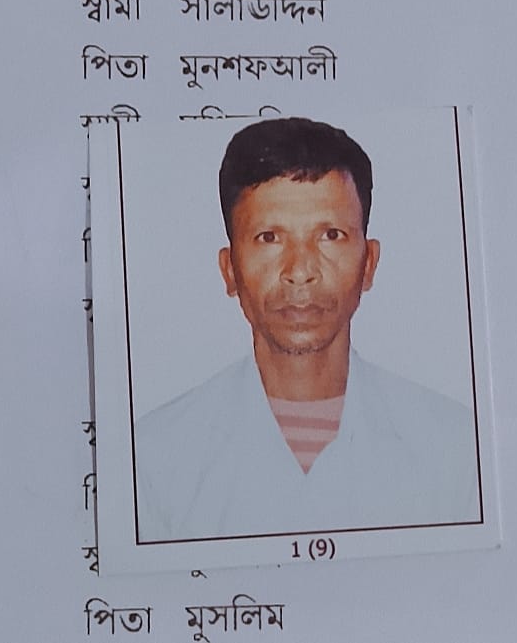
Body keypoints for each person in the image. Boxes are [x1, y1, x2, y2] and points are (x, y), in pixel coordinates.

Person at [134, 117, 479, 542]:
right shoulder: (153, 458)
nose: (299, 271)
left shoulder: (455, 450)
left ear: (369, 264)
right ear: (230, 270)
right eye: (269, 238)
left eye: (330, 235)